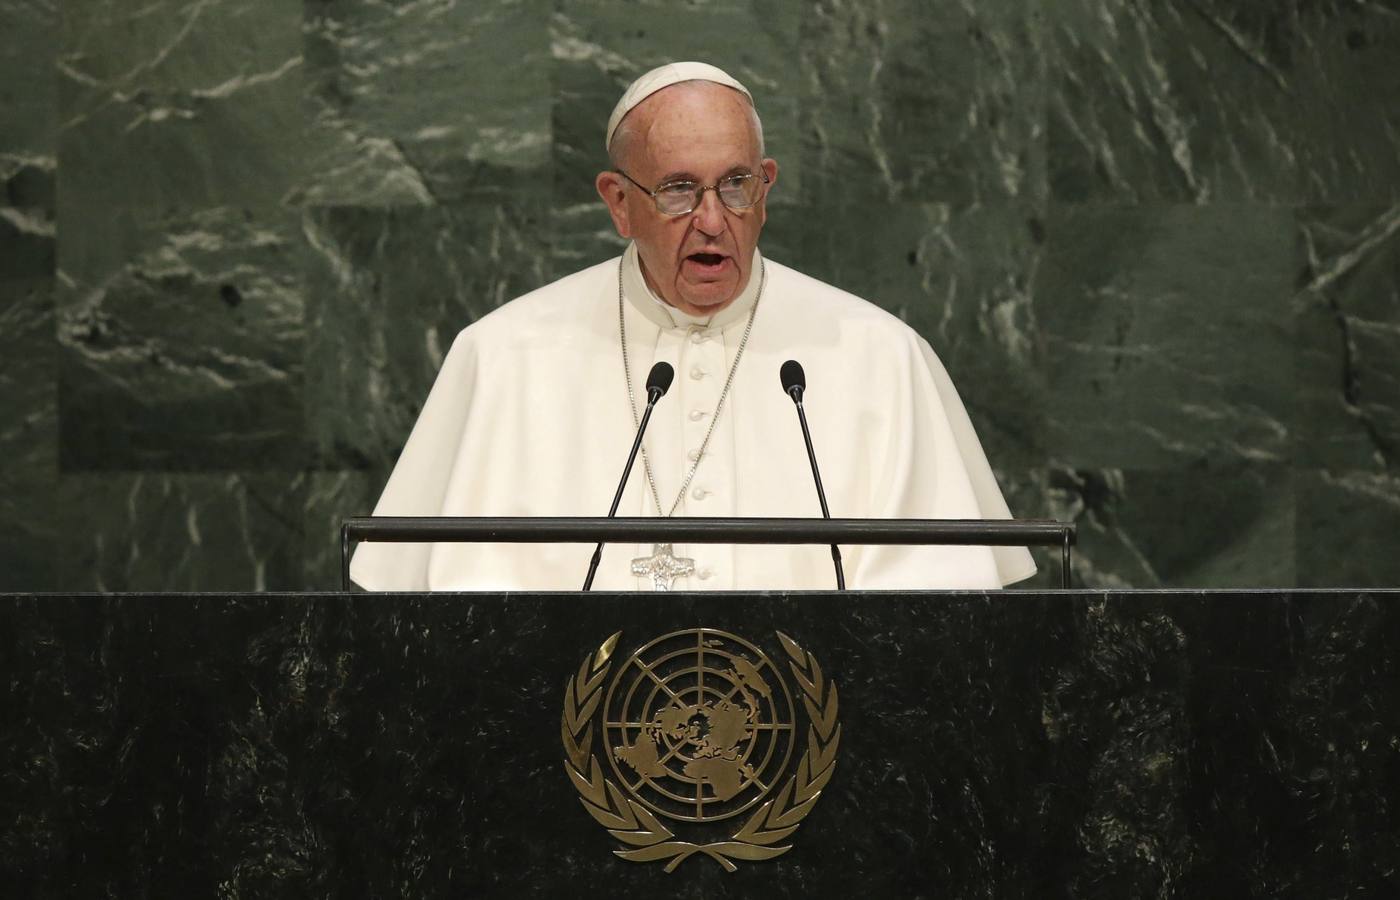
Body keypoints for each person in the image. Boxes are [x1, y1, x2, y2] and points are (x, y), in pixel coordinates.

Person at [349, 62, 1036, 592]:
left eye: (735, 185)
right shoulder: (502, 357)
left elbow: (946, 628)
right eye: (679, 190)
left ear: (765, 187)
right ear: (620, 203)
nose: (713, 220)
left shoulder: (882, 358)